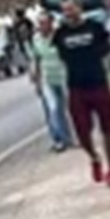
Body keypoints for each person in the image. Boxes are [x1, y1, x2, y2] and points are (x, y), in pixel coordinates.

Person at [53, 0, 110, 186]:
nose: (69, 13)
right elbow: (61, 58)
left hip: (98, 83)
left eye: (71, 8)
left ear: (79, 8)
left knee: (108, 128)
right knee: (82, 132)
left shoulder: (95, 27)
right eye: (65, 10)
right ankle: (94, 157)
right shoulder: (61, 34)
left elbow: (108, 49)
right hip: (76, 87)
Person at [30, 10, 73, 152]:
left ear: (51, 23)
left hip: (63, 76)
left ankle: (72, 136)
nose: (42, 26)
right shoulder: (36, 39)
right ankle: (59, 139)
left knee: (69, 108)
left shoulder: (60, 36)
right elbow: (36, 59)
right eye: (40, 23)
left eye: (45, 23)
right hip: (48, 78)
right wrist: (36, 79)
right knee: (53, 110)